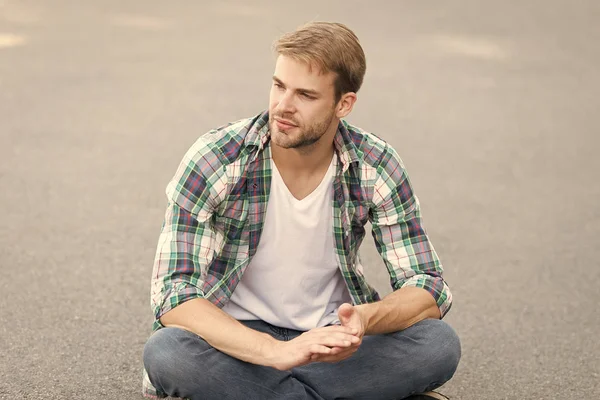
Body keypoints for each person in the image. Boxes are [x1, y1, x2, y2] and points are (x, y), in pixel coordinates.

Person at [142, 22, 460, 400]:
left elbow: (427, 285)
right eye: (279, 86)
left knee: (438, 343)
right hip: (237, 343)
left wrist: (364, 319)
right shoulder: (215, 158)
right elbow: (174, 295)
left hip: (331, 342)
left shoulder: (376, 165)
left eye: (305, 95)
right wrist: (275, 351)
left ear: (344, 104)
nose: (283, 106)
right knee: (168, 352)